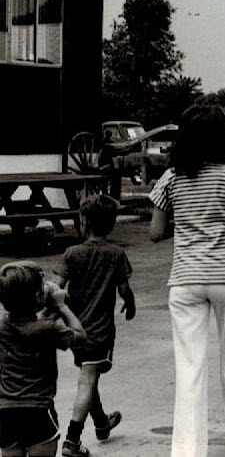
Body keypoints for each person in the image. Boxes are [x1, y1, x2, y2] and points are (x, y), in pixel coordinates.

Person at [148, 104, 225, 457]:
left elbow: (155, 232)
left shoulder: (170, 178)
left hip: (184, 280)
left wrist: (188, 225)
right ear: (219, 137)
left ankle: (186, 450)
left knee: (189, 366)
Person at [53, 194, 135, 457]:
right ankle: (72, 440)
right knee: (88, 380)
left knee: (89, 377)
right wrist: (129, 303)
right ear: (111, 224)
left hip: (75, 329)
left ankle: (101, 423)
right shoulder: (116, 253)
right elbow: (124, 289)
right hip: (100, 332)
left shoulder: (72, 253)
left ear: (83, 221)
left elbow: (57, 289)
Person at [0, 261, 87, 457]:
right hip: (38, 410)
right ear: (38, 297)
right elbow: (80, 336)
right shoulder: (48, 329)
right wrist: (62, 307)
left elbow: (27, 323)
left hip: (5, 411)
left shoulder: (2, 327)